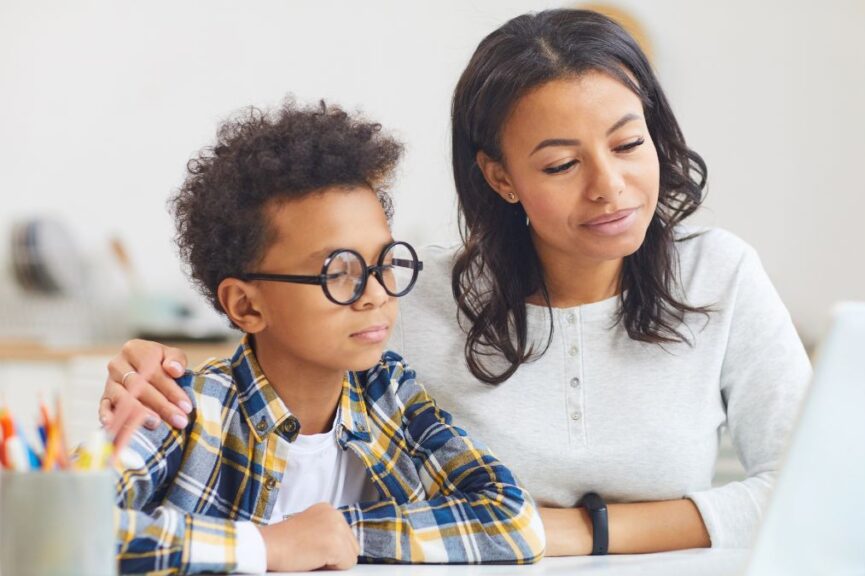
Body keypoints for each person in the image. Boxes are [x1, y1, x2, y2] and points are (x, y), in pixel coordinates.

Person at [101, 9, 810, 557]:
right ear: (500, 177)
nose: (611, 187)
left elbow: (816, 492)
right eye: (562, 165)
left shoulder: (722, 274)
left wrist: (575, 532)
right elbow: (285, 342)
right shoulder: (411, 298)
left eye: (629, 144)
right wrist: (154, 371)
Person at [112, 100, 544, 575]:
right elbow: (59, 527)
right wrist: (266, 546)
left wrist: (338, 532)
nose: (376, 294)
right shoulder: (184, 410)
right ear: (246, 305)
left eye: (384, 262)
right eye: (338, 272)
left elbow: (514, 521)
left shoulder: (389, 396)